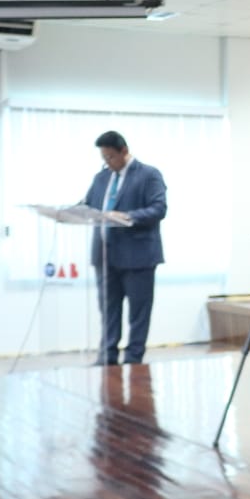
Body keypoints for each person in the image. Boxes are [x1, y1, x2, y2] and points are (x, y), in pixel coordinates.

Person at [83, 131, 167, 365]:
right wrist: (66, 212)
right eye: (103, 158)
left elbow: (159, 208)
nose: (107, 162)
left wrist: (127, 216)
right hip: (104, 256)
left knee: (138, 313)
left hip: (138, 256)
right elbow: (88, 205)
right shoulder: (101, 178)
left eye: (110, 157)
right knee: (108, 311)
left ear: (124, 151)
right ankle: (107, 357)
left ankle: (133, 359)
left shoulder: (148, 174)